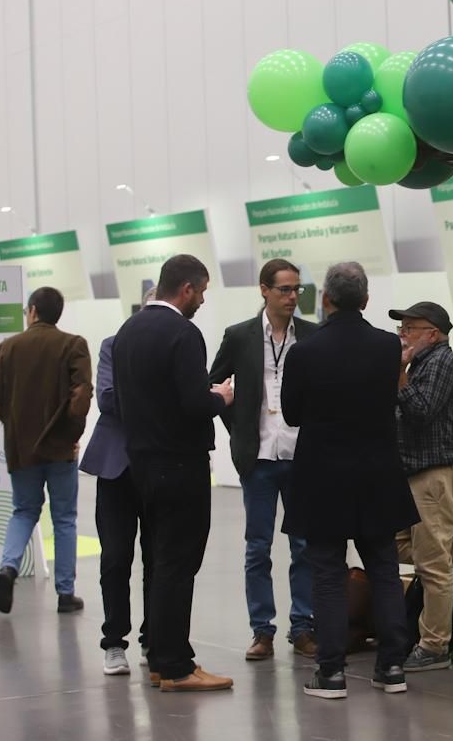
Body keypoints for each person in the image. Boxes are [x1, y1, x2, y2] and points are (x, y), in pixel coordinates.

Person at [280, 262, 420, 699]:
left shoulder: (304, 351)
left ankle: (331, 672)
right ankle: (393, 666)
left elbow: (291, 414)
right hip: (379, 474)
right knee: (384, 569)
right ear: (366, 300)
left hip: (322, 478)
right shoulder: (387, 348)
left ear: (325, 299)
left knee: (326, 573)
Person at [113, 254, 235, 693]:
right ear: (186, 289)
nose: (201, 300)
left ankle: (164, 660)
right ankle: (178, 665)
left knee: (161, 562)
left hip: (141, 464)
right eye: (201, 291)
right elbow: (192, 403)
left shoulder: (128, 331)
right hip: (180, 464)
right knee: (179, 563)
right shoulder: (183, 333)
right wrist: (221, 396)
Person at [210, 259, 318, 661]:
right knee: (258, 547)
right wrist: (237, 425)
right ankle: (262, 630)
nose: (292, 297)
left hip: (300, 455)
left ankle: (303, 626)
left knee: (304, 545)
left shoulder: (310, 335)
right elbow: (212, 384)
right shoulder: (239, 336)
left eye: (297, 290)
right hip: (257, 457)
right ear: (264, 290)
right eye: (285, 290)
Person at [388, 301, 453, 672]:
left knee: (431, 566)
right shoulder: (420, 366)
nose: (403, 334)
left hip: (435, 475)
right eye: (403, 327)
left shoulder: (442, 364)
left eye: (410, 328)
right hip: (415, 475)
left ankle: (434, 646)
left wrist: (398, 374)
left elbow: (420, 411)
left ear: (433, 334)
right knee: (392, 545)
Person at [0, 286, 92, 615]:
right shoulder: (73, 345)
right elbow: (82, 393)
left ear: (32, 310)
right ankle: (65, 593)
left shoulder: (8, 347)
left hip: (22, 450)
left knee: (24, 511)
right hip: (60, 449)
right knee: (64, 519)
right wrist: (71, 432)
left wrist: (17, 427)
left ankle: (8, 568)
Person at [80, 287, 156, 677]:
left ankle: (152, 638)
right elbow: (107, 399)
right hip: (116, 468)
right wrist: (158, 402)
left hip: (160, 467)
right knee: (115, 559)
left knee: (159, 560)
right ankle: (114, 642)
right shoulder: (113, 345)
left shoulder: (178, 344)